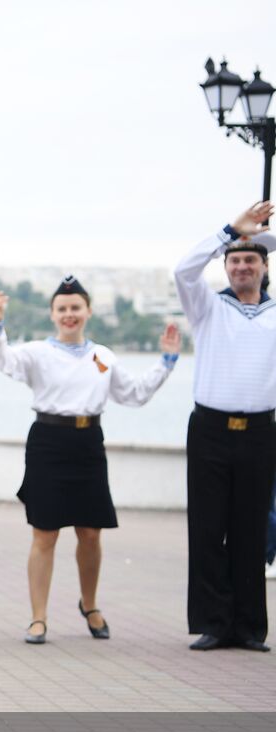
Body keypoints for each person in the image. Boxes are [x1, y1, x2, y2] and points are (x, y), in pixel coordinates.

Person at [0, 276, 179, 644]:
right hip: (48, 442)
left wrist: (167, 362)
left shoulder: (103, 356)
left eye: (76, 308)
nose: (69, 314)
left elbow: (134, 394)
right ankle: (38, 617)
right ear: (53, 314)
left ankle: (89, 605)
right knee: (45, 533)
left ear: (88, 311)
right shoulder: (37, 352)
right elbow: (0, 360)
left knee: (90, 532)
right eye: (62, 309)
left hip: (89, 442)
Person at [177, 202, 276, 652]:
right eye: (234, 260)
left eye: (250, 259)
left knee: (250, 528)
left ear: (263, 266)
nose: (241, 267)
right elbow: (183, 270)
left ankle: (249, 627)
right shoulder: (207, 309)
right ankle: (213, 622)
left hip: (259, 432)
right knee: (207, 526)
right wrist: (228, 231)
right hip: (211, 431)